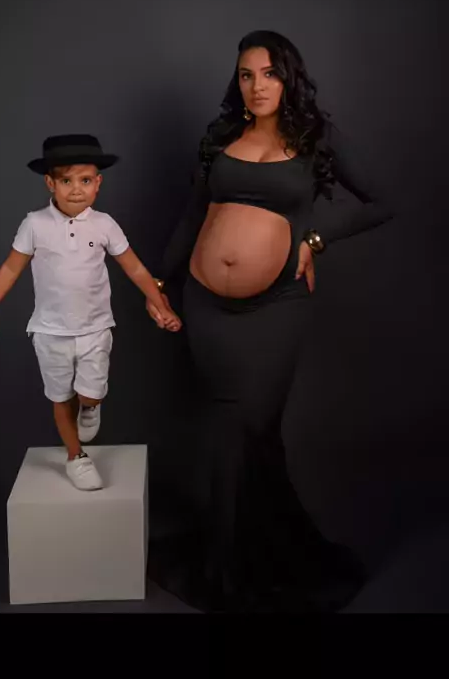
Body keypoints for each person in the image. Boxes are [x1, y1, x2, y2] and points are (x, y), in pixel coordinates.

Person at [145, 30, 394, 613]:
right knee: (235, 432)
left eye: (269, 73)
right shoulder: (221, 137)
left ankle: (242, 564)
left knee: (246, 426)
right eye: (246, 75)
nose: (257, 86)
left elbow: (382, 201)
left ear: (289, 77)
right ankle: (240, 552)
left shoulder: (315, 136)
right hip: (205, 305)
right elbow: (193, 215)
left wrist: (316, 238)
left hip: (275, 306)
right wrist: (158, 281)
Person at [0, 134, 181, 491]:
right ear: (50, 183)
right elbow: (11, 268)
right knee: (60, 397)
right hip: (50, 331)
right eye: (66, 181)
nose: (76, 189)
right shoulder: (34, 224)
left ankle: (90, 406)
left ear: (98, 183)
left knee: (89, 394)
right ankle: (76, 457)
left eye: (85, 180)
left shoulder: (104, 224)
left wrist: (160, 302)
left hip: (94, 328)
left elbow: (134, 268)